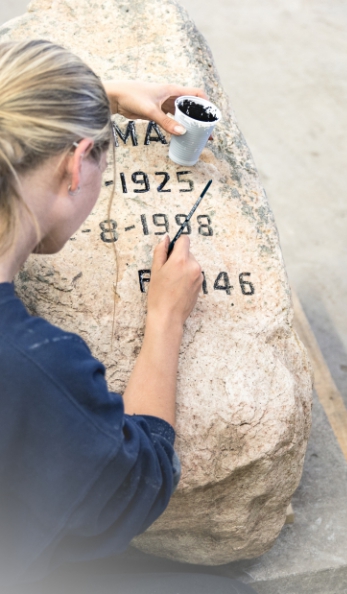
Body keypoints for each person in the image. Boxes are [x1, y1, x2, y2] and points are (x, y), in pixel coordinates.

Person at [0, 40, 256, 594]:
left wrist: (103, 98)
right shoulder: (33, 364)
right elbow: (135, 485)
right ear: (75, 164)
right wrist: (165, 319)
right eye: (99, 158)